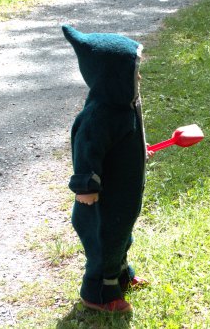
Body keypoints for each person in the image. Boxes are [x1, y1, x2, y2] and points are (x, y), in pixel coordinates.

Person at [62, 25, 151, 313]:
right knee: (105, 244)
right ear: (111, 76)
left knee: (122, 235)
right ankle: (98, 292)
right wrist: (86, 186)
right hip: (103, 202)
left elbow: (124, 141)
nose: (138, 77)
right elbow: (86, 151)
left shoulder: (124, 107)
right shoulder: (99, 115)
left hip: (122, 196)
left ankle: (120, 276)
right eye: (133, 71)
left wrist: (139, 151)